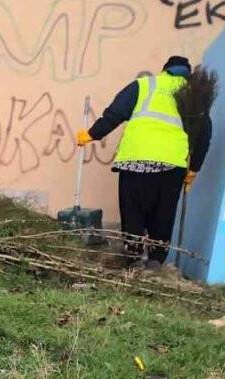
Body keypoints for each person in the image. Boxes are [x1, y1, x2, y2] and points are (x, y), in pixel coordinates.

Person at [77, 55, 212, 269]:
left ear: (165, 70)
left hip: (135, 160)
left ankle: (133, 256)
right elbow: (203, 136)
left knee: (133, 211)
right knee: (163, 213)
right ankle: (156, 260)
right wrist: (194, 168)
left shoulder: (145, 84)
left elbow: (115, 114)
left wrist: (92, 134)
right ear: (188, 74)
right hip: (171, 165)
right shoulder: (196, 94)